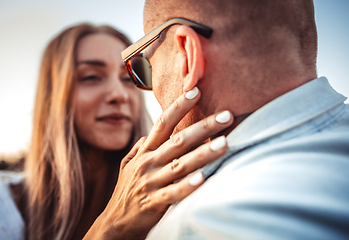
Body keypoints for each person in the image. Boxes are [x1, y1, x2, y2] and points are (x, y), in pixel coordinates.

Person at [121, 0, 349, 239]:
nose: (152, 89)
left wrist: (110, 231)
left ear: (187, 54)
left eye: (148, 66)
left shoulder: (202, 221)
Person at [0, 23, 234, 240]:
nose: (119, 95)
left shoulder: (169, 189)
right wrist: (110, 229)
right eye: (92, 77)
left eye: (128, 78)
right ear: (53, 96)